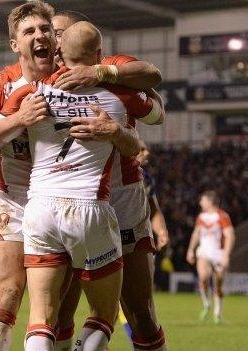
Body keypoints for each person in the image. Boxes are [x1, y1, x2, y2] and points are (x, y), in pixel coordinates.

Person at [0, 2, 163, 350]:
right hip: (19, 198)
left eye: (49, 31)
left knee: (79, 311)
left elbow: (152, 87)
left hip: (101, 196)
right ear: (15, 44)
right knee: (9, 294)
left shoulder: (93, 70)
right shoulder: (6, 85)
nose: (44, 38)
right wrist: (17, 120)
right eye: (31, 32)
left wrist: (102, 75)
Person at [51, 13, 168, 351]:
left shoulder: (113, 67)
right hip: (66, 203)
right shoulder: (42, 79)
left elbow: (154, 85)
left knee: (139, 312)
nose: (52, 40)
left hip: (123, 201)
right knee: (58, 313)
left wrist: (100, 74)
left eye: (58, 32)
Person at [187, 190, 235, 324]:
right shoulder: (201, 217)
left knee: (218, 285)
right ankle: (206, 303)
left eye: (202, 200)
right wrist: (190, 250)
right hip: (204, 252)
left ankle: (217, 313)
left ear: (210, 201)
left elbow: (230, 236)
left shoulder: (222, 216)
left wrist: (226, 255)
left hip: (219, 253)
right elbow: (196, 234)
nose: (200, 203)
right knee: (203, 277)